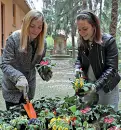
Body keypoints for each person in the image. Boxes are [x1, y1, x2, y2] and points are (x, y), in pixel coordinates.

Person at [0, 10, 52, 110]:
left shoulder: (42, 43)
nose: (36, 30)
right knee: (14, 122)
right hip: (12, 89)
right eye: (32, 26)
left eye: (39, 27)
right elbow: (5, 64)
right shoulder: (13, 39)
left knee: (27, 120)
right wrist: (19, 77)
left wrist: (46, 71)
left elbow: (41, 63)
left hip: (29, 89)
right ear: (25, 24)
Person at [75, 10, 120, 111]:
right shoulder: (82, 42)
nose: (82, 33)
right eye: (79, 30)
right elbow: (79, 59)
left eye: (85, 29)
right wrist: (77, 69)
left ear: (94, 26)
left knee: (108, 119)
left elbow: (112, 68)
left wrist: (96, 86)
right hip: (88, 85)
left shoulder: (108, 41)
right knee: (89, 118)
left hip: (107, 87)